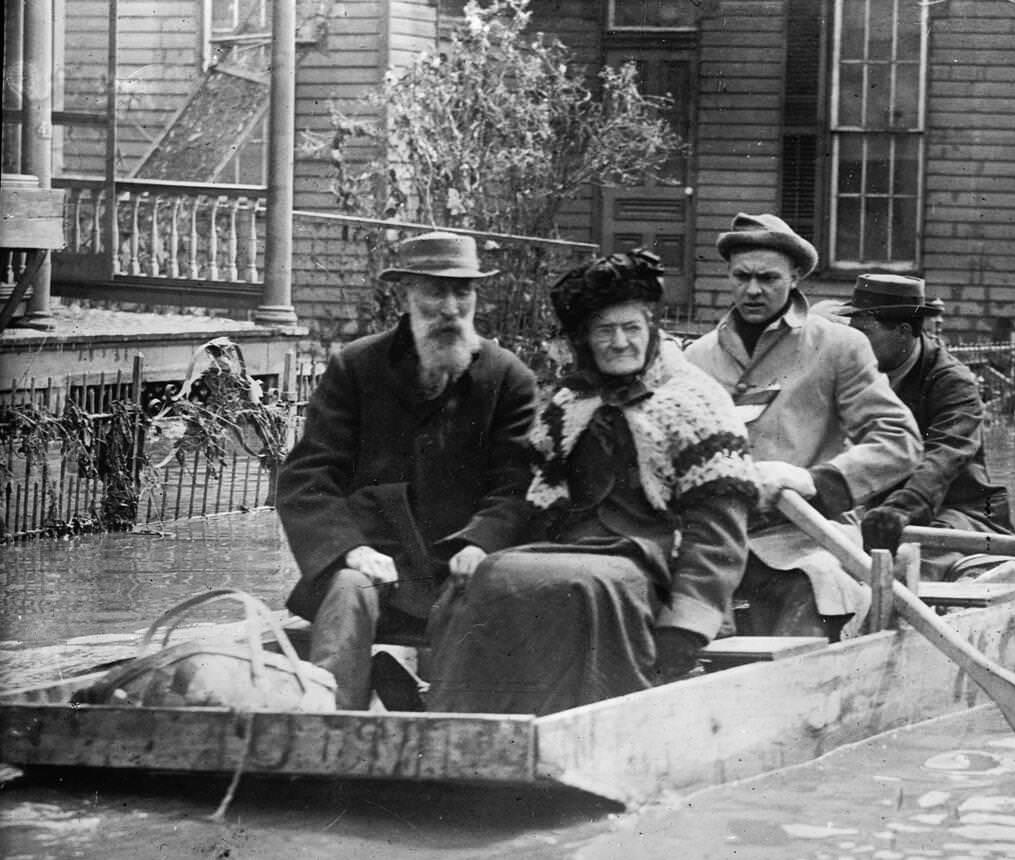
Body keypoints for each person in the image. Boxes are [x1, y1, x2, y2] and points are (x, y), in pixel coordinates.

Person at [423, 249, 758, 715]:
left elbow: (718, 530)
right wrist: (481, 543)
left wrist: (688, 619)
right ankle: (468, 720)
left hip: (646, 558)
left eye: (631, 329)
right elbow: (533, 497)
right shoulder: (570, 402)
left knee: (578, 585)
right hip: (565, 547)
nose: (619, 342)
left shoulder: (696, 402)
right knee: (487, 578)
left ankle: (590, 724)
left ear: (652, 331)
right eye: (605, 331)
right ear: (586, 340)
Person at [276, 231, 537, 710]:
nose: (451, 308)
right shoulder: (356, 368)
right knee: (347, 591)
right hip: (376, 561)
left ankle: (448, 733)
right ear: (408, 293)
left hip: (463, 563)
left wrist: (483, 542)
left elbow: (518, 483)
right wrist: (350, 548)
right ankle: (327, 725)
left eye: (463, 292)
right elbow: (308, 477)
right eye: (436, 291)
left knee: (480, 610)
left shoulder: (508, 378)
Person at [685, 213, 922, 638]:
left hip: (809, 536)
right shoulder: (696, 358)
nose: (753, 290)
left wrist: (811, 481)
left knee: (815, 593)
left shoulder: (838, 347)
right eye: (741, 276)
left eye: (768, 278)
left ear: (795, 277)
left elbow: (899, 440)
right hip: (717, 540)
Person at [817, 274, 1013, 580]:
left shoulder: (952, 383)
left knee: (905, 565)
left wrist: (901, 510)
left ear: (903, 332)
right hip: (880, 512)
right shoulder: (855, 375)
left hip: (959, 511)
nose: (854, 343)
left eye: (865, 332)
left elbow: (944, 458)